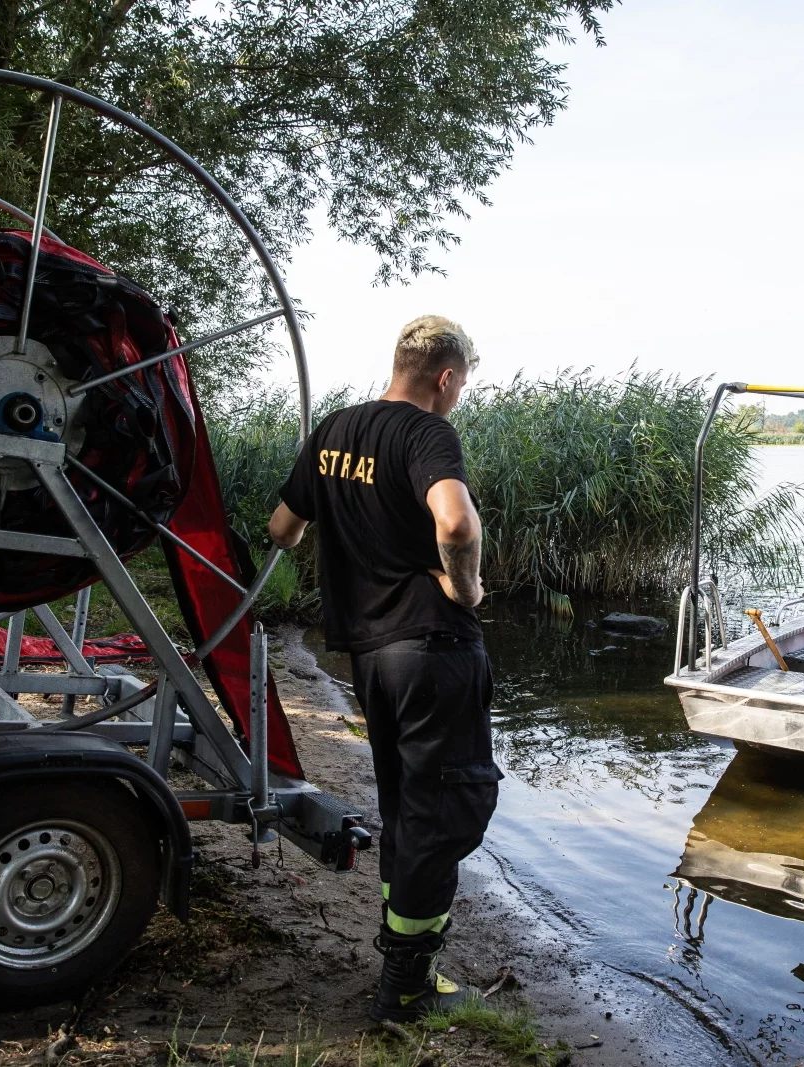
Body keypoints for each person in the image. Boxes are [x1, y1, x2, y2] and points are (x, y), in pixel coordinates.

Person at [268, 315, 497, 1021]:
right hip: (433, 645)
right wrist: (467, 587)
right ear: (446, 377)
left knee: (406, 801)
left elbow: (283, 527)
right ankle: (406, 984)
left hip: (368, 654)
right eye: (460, 386)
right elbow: (456, 523)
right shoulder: (427, 431)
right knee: (447, 804)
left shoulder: (336, 428)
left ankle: (405, 960)